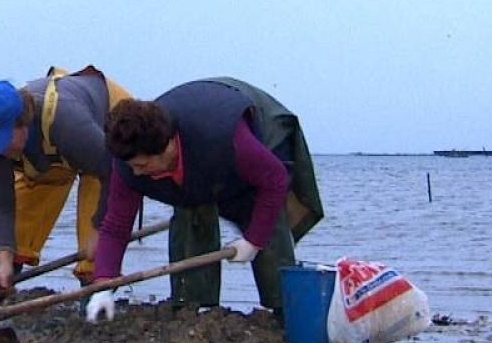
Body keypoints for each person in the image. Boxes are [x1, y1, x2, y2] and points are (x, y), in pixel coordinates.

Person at [88, 77, 323, 322]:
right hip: (200, 152)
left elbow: (275, 180)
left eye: (142, 165)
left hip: (259, 129)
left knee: (262, 213)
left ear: (167, 147)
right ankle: (192, 307)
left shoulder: (228, 138)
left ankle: (285, 310)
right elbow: (116, 226)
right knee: (191, 212)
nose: (136, 172)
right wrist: (104, 285)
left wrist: (253, 241)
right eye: (131, 166)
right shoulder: (128, 162)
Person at [0, 66, 133, 288]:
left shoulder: (67, 124)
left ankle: (95, 294)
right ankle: (0, 285)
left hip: (107, 128)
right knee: (21, 218)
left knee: (95, 236)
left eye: (3, 140)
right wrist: (4, 259)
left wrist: (100, 228)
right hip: (53, 156)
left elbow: (114, 171)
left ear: (23, 121)